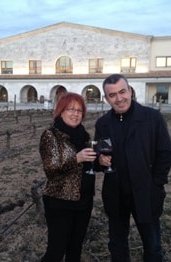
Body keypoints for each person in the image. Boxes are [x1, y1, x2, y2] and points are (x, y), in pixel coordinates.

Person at [94, 74, 171, 262]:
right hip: (116, 194)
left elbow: (166, 153)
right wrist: (100, 160)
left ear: (130, 91)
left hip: (146, 193)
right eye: (112, 95)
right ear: (106, 99)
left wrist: (156, 185)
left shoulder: (152, 118)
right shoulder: (103, 124)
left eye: (122, 91)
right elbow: (100, 155)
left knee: (152, 244)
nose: (119, 98)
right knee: (117, 244)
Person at [39, 92, 97, 262]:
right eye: (70, 109)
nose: (75, 114)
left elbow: (88, 165)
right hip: (60, 202)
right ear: (60, 111)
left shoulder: (83, 136)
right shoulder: (51, 135)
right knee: (56, 251)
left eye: (79, 111)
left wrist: (100, 160)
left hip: (84, 201)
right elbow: (51, 168)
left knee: (75, 248)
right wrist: (76, 158)